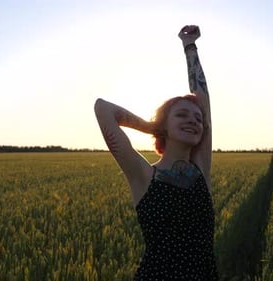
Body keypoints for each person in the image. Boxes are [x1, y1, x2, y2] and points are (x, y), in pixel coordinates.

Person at [94, 25, 217, 280]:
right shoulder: (143, 174)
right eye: (181, 115)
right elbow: (102, 108)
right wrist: (153, 126)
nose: (193, 120)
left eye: (196, 118)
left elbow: (203, 102)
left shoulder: (200, 170)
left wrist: (190, 46)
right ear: (165, 126)